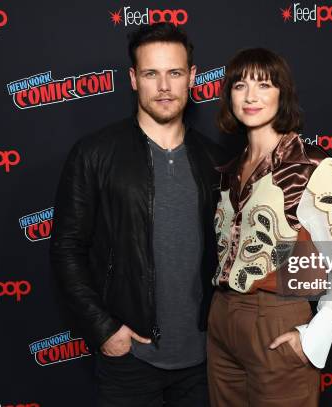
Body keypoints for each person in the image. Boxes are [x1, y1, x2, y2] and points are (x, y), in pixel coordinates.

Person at [50, 23, 223, 407]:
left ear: (192, 77)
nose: (164, 86)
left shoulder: (215, 161)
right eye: (151, 73)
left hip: (204, 361)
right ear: (133, 78)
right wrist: (105, 330)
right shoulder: (94, 154)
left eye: (174, 73)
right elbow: (67, 249)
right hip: (130, 362)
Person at [207, 48, 332, 406]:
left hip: (276, 321)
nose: (250, 96)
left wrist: (315, 333)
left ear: (283, 94)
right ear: (228, 95)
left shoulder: (310, 167)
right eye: (240, 85)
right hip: (221, 321)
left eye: (264, 84)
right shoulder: (228, 172)